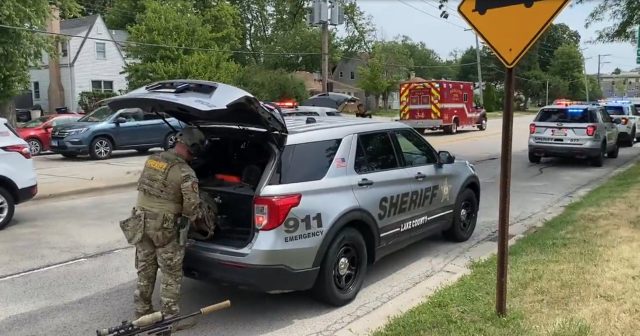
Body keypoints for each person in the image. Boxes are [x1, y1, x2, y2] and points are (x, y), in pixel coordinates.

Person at [119, 126, 206, 320]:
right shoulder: (186, 172)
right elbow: (192, 210)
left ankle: (142, 313)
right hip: (164, 229)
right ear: (193, 148)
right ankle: (168, 319)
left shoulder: (153, 160)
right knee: (171, 275)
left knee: (145, 271)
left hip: (139, 223)